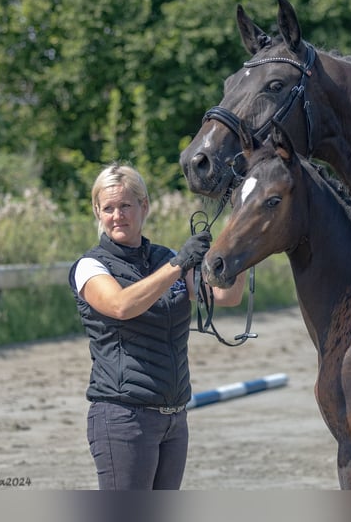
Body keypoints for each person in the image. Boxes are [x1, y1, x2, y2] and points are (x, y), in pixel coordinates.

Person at [68, 163, 246, 490]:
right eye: (108, 208)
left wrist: (242, 243)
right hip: (124, 417)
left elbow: (226, 296)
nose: (117, 215)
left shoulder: (165, 257)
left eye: (125, 205)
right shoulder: (89, 266)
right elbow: (121, 305)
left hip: (174, 418)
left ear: (144, 206)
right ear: (97, 212)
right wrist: (178, 266)